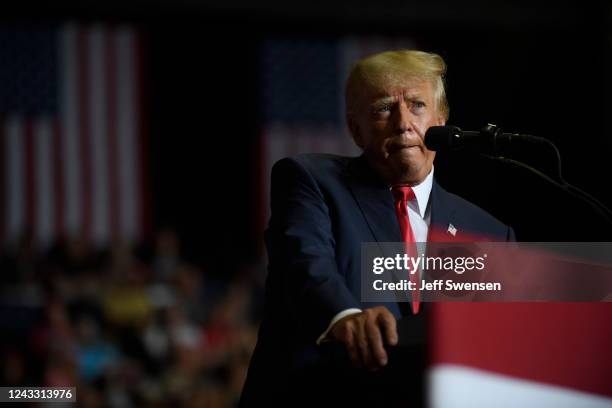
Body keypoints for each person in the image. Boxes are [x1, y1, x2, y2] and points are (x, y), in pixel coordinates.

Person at [240, 50, 515, 406]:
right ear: (356, 129)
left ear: (441, 121)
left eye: (417, 105)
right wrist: (346, 317)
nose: (403, 123)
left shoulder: (489, 231)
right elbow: (307, 266)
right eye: (384, 108)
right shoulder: (313, 181)